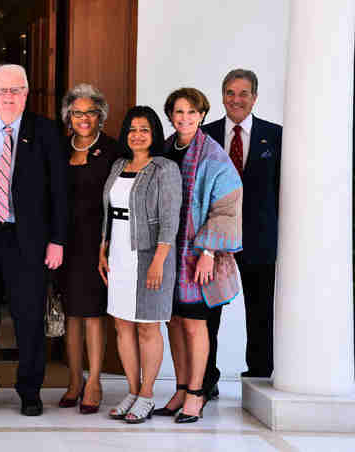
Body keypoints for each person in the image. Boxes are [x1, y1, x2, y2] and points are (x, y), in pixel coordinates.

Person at [0, 64, 68, 417]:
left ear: (26, 93)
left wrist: (57, 240)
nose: (8, 97)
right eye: (1, 90)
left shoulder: (47, 132)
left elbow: (60, 192)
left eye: (15, 90)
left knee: (29, 318)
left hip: (30, 241)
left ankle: (30, 390)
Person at [155, 88, 243, 424]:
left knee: (195, 323)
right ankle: (179, 388)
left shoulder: (213, 156)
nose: (185, 118)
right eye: (179, 112)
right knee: (174, 321)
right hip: (168, 252)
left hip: (197, 254)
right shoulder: (164, 150)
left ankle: (196, 393)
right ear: (171, 115)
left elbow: (226, 206)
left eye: (192, 112)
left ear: (203, 115)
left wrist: (208, 251)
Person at [99, 106, 182, 423]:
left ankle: (147, 394)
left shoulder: (165, 168)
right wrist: (102, 250)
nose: (137, 135)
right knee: (122, 324)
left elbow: (169, 219)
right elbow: (108, 212)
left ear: (154, 134)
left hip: (149, 256)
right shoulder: (119, 164)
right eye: (132, 129)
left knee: (148, 326)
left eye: (144, 129)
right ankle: (132, 391)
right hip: (119, 252)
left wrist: (159, 261)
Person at [202, 69, 282, 382]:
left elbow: (283, 191)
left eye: (244, 93)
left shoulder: (275, 136)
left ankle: (259, 378)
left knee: (260, 313)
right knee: (208, 314)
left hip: (259, 240)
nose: (236, 99)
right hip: (214, 242)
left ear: (255, 98)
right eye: (231, 93)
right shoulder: (204, 135)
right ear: (222, 96)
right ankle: (205, 379)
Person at [57, 84, 120, 414]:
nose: (83, 118)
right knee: (71, 315)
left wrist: (108, 244)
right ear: (69, 116)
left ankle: (94, 381)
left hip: (98, 243)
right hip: (64, 244)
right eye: (77, 112)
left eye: (90, 113)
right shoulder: (58, 146)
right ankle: (74, 380)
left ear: (101, 117)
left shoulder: (112, 150)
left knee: (94, 313)